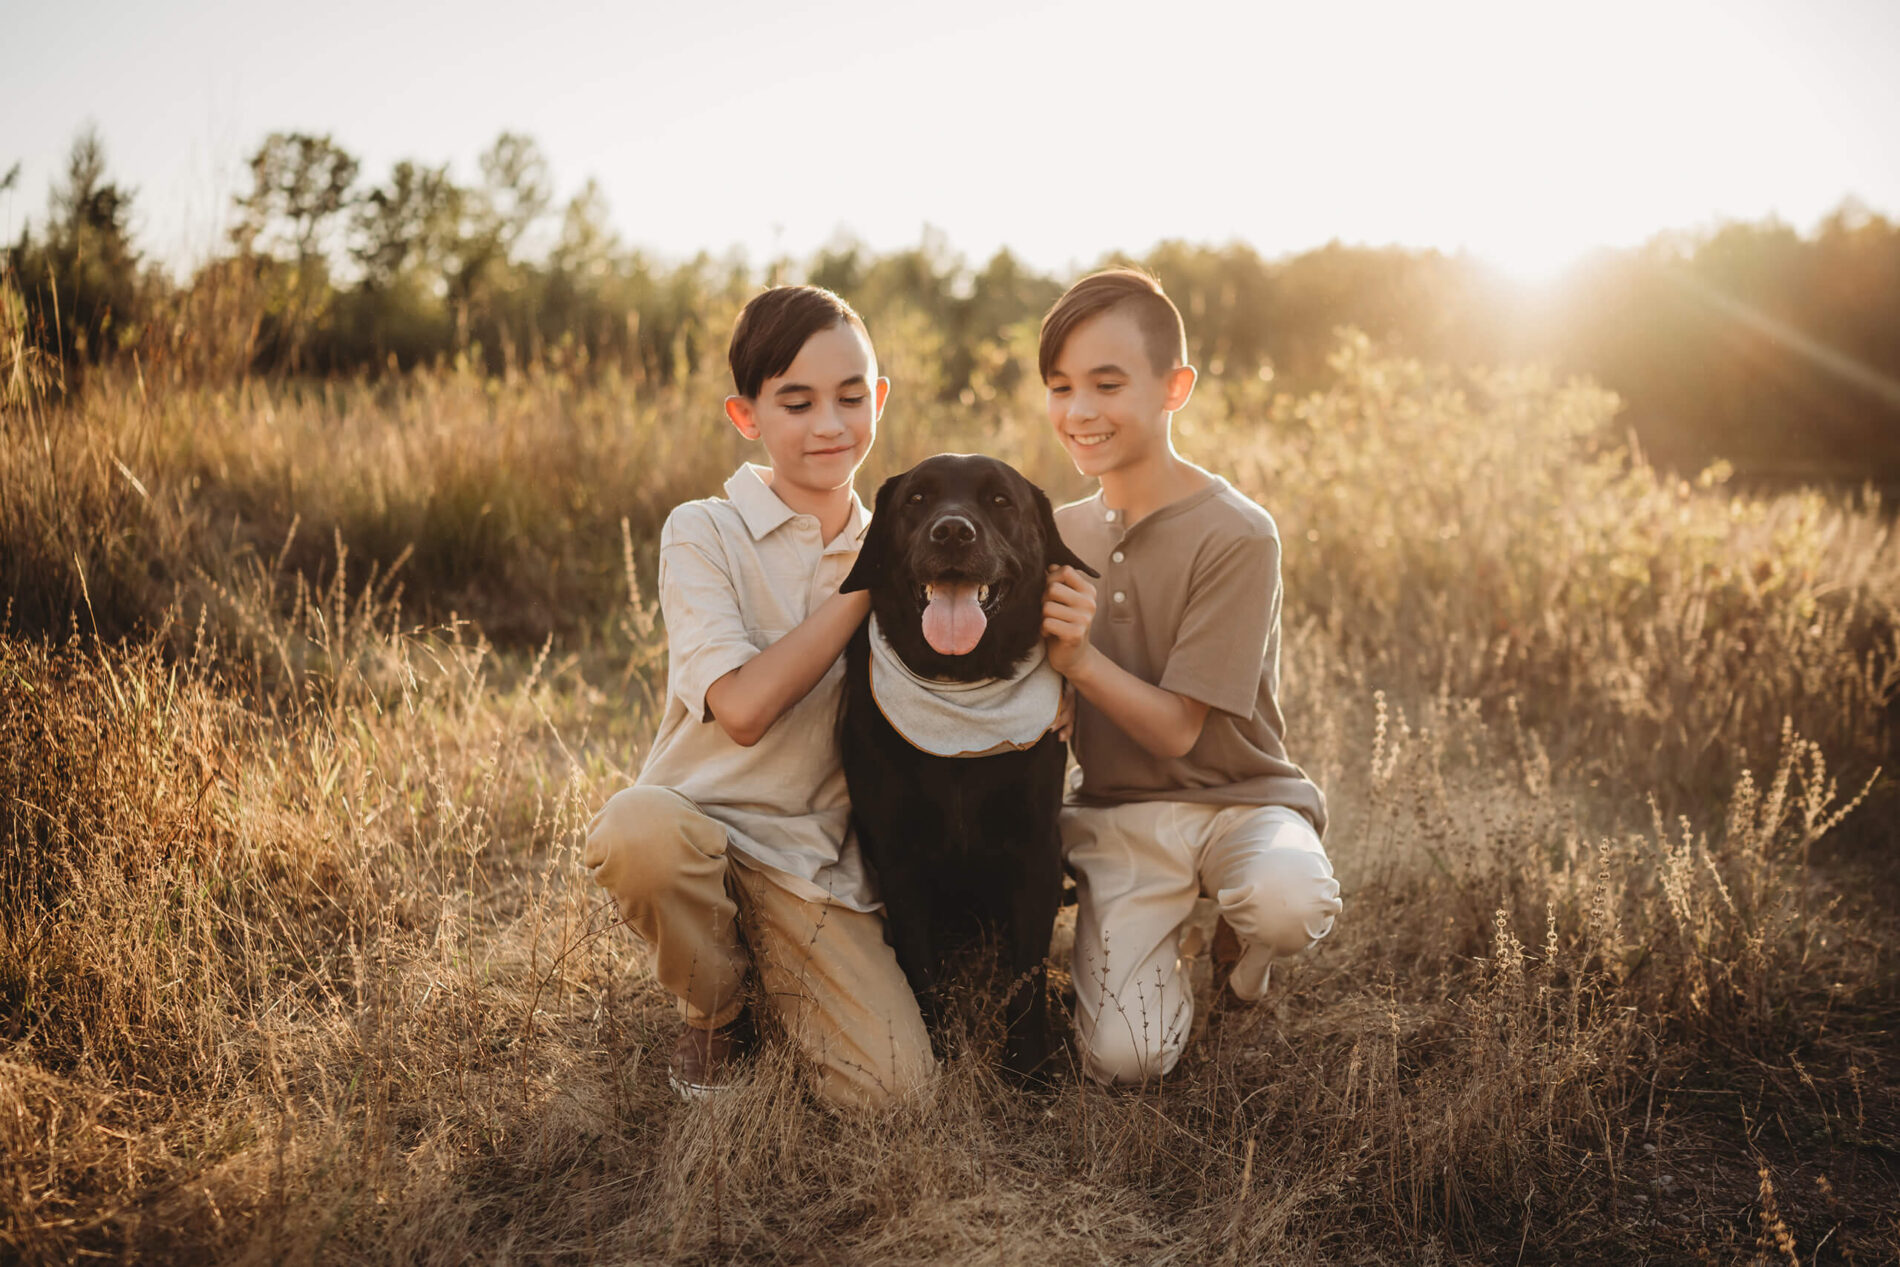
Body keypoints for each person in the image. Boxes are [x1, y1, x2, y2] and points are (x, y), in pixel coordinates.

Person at [582, 285, 935, 1110]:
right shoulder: (703, 529)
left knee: (897, 1097)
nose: (828, 424)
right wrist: (867, 580)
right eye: (797, 401)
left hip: (812, 860)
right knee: (638, 829)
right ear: (747, 416)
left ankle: (774, 963)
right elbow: (740, 710)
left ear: (879, 399)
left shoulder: (907, 536)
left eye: (852, 397)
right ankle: (717, 1006)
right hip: (698, 823)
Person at [1038, 268, 1343, 1085]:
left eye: (1108, 383)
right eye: (1061, 387)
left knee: (1289, 900)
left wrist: (1078, 662)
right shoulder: (1054, 530)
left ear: (1175, 387)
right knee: (1126, 1060)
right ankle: (1158, 939)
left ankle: (1246, 959)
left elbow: (1179, 728)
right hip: (1120, 816)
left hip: (1242, 800)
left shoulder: (1239, 533)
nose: (1080, 411)